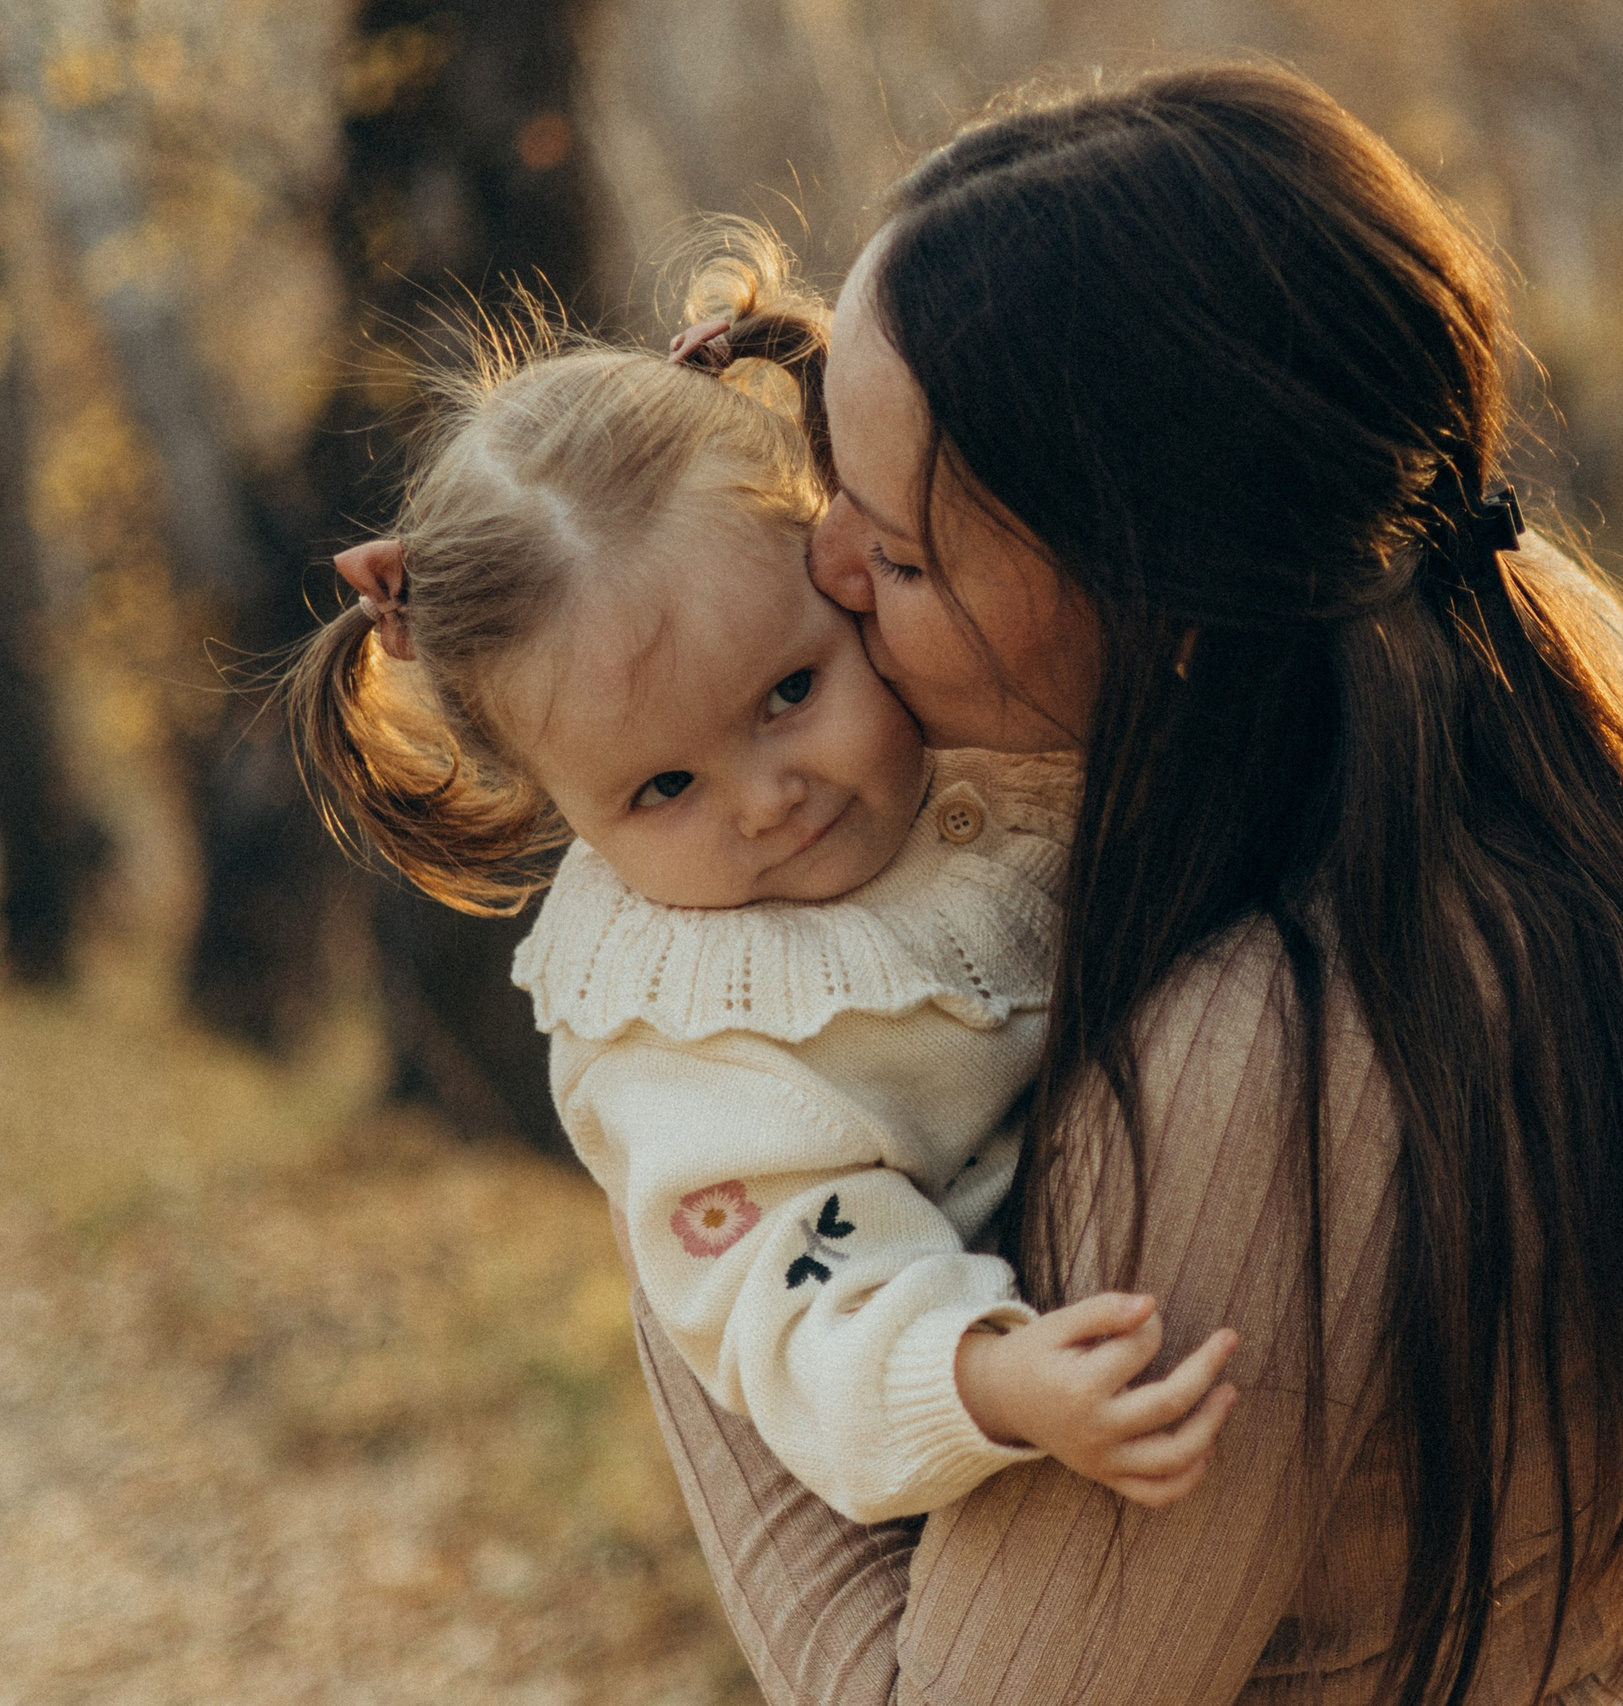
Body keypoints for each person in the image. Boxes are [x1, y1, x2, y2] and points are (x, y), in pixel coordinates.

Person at [632, 62, 1623, 1706]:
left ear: (1160, 613)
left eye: (899, 555)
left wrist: (701, 1174)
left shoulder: (1258, 1066)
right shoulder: (1511, 646)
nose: (827, 567)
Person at [282, 248, 1242, 1527]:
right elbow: (792, 1307)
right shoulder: (684, 1048)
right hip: (1013, 1451)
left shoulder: (983, 721)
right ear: (560, 810)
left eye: (790, 692)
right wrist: (991, 1377)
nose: (766, 797)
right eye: (663, 786)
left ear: (843, 571)